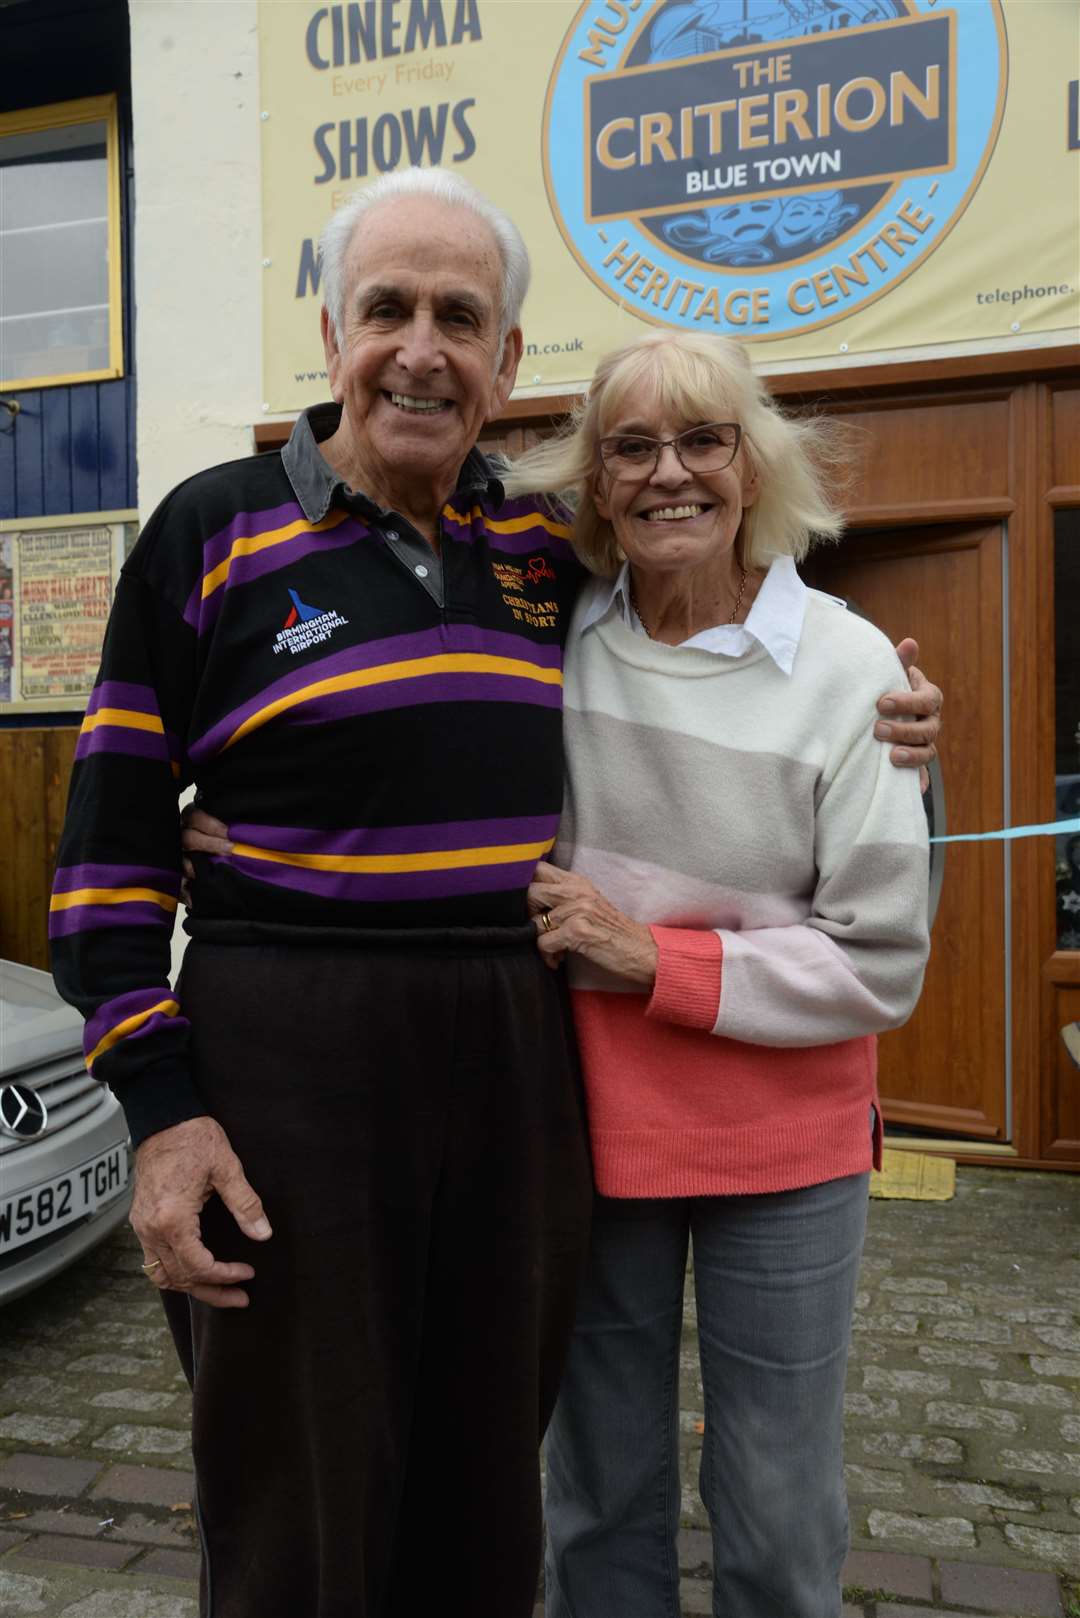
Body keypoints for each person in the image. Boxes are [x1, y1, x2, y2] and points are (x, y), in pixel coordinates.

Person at [53, 169, 939, 1618]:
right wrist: (163, 1118)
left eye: (461, 317)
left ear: (509, 360)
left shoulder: (544, 553)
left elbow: (711, 619)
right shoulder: (206, 534)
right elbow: (104, 868)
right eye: (387, 307)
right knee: (300, 1485)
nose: (421, 347)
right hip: (290, 1056)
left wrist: (906, 724)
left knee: (487, 1473)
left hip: (518, 1068)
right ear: (329, 327)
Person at [499, 329, 932, 1618]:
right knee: (598, 1492)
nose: (667, 474)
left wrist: (653, 961)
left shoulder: (853, 669)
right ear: (593, 479)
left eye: (704, 440)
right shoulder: (556, 641)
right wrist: (253, 813)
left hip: (782, 1151)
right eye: (631, 446)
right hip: (594, 1132)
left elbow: (880, 961)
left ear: (757, 468)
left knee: (775, 1497)